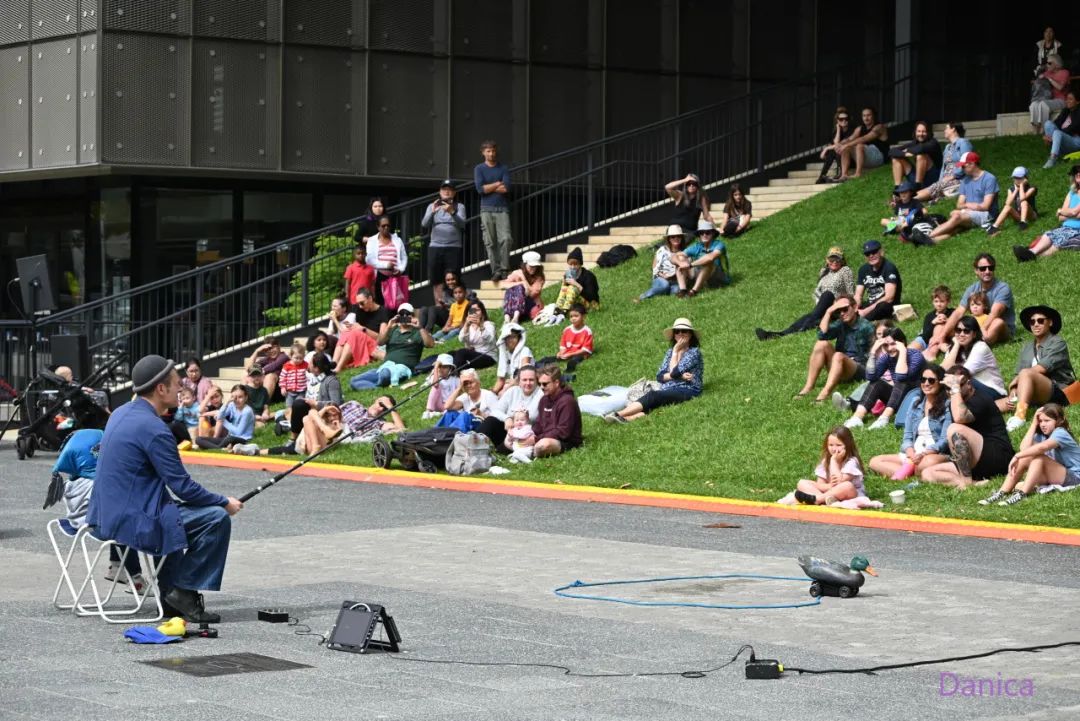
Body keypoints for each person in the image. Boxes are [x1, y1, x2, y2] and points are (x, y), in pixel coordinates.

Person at [87, 354, 243, 623]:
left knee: (172, 513)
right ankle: (180, 591)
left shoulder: (121, 413)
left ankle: (172, 594)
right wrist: (223, 502)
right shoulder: (155, 429)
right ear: (161, 389)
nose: (181, 388)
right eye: (176, 384)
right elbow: (183, 487)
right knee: (215, 519)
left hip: (103, 515)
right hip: (131, 521)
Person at [920, 365, 1014, 488]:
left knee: (954, 428)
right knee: (928, 473)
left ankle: (966, 480)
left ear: (968, 384)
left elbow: (960, 418)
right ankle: (971, 484)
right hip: (975, 460)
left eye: (957, 385)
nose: (950, 391)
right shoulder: (955, 401)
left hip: (998, 456)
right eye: (947, 388)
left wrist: (955, 388)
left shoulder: (980, 398)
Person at [604, 318, 704, 423]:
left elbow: (674, 372)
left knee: (654, 396)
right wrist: (680, 376)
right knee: (654, 400)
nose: (680, 334)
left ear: (690, 334)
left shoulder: (693, 353)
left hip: (688, 389)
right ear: (674, 335)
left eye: (684, 331)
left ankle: (618, 414)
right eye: (677, 331)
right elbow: (660, 377)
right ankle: (624, 419)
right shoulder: (669, 352)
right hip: (669, 387)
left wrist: (675, 352)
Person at [980, 404, 1080, 506]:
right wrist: (1033, 424)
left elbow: (1041, 448)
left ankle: (1022, 494)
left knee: (1039, 458)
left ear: (1059, 421)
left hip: (1075, 478)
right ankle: (1002, 493)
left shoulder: (1060, 432)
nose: (1042, 424)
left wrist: (1017, 456)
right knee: (1028, 457)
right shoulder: (1043, 435)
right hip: (1057, 474)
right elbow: (1024, 449)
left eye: (1047, 420)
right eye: (1040, 421)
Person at [868, 363, 953, 481]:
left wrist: (924, 453)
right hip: (913, 453)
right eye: (923, 380)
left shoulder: (947, 405)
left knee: (925, 463)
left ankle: (908, 470)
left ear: (940, 383)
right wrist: (911, 452)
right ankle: (912, 470)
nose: (926, 383)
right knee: (875, 461)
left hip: (933, 454)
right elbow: (907, 435)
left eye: (931, 380)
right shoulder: (915, 403)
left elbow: (944, 440)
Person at [756, 246, 854, 340]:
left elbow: (851, 294)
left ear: (842, 260)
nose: (835, 262)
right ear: (827, 260)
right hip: (823, 305)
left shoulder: (845, 271)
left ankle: (801, 329)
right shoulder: (824, 272)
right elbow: (818, 292)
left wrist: (842, 306)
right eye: (832, 259)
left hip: (837, 307)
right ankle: (780, 334)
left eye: (838, 259)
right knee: (807, 316)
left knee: (826, 295)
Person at [1003, 305, 1075, 433]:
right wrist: (1013, 390)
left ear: (1050, 322)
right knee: (1000, 402)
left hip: (1058, 391)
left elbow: (1041, 368)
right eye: (1032, 321)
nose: (1036, 324)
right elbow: (1018, 374)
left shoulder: (1058, 343)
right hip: (1032, 388)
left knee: (1026, 373)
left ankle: (1020, 416)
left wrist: (1017, 380)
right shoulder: (1026, 347)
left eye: (1040, 321)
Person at [839, 327, 924, 431]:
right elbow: (870, 377)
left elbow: (901, 376)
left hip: (916, 399)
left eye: (893, 344)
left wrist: (902, 351)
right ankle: (857, 417)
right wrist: (873, 352)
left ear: (902, 342)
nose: (889, 348)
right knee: (877, 382)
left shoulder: (916, 355)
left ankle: (884, 418)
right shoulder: (887, 358)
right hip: (898, 399)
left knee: (901, 381)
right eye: (886, 345)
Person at [795, 294, 874, 402]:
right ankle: (808, 387)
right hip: (839, 363)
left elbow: (875, 353)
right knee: (821, 344)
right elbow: (821, 335)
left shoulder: (867, 327)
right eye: (838, 311)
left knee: (838, 355)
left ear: (855, 308)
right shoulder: (840, 324)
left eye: (845, 309)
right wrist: (828, 311)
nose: (842, 313)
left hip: (858, 368)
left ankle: (824, 394)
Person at [349, 303, 435, 389]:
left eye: (407, 314)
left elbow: (431, 344)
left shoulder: (417, 331)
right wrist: (388, 327)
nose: (404, 316)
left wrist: (420, 327)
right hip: (386, 366)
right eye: (401, 314)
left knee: (385, 374)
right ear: (397, 316)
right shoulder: (393, 330)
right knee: (353, 381)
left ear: (412, 316)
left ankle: (380, 382)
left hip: (403, 368)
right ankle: (377, 386)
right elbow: (380, 342)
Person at [1014, 165, 1080, 262]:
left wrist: (1062, 211)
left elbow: (1071, 212)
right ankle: (1031, 252)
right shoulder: (1072, 192)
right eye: (1076, 173)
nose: (1078, 175)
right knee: (1048, 234)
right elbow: (1061, 218)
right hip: (1065, 227)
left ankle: (1032, 255)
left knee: (1060, 240)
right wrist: (1070, 214)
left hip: (1077, 230)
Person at [928, 152, 999, 242]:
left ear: (972, 164)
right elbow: (959, 204)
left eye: (963, 166)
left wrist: (967, 207)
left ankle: (929, 236)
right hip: (969, 212)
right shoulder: (965, 180)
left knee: (956, 216)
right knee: (956, 218)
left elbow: (985, 206)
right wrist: (970, 207)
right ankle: (933, 240)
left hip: (987, 215)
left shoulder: (989, 179)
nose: (961, 169)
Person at [792, 426, 866, 505]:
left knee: (847, 486)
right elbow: (820, 485)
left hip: (849, 494)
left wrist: (834, 461)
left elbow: (839, 482)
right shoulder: (825, 461)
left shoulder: (851, 461)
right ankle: (825, 500)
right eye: (831, 445)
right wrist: (830, 486)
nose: (834, 449)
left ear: (848, 445)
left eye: (838, 445)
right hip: (830, 493)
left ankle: (818, 499)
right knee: (802, 483)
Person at [284, 353, 343, 452]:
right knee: (286, 411)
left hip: (322, 412)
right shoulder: (313, 379)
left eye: (310, 363)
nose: (308, 364)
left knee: (299, 405)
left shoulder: (331, 381)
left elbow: (336, 403)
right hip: (311, 409)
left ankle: (293, 438)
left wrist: (316, 404)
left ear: (316, 368)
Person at [939, 315, 1007, 400]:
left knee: (962, 381)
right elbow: (942, 370)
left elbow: (962, 375)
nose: (961, 334)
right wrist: (956, 345)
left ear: (974, 334)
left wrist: (943, 379)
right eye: (958, 330)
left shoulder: (980, 347)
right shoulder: (954, 348)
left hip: (992, 391)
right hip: (968, 388)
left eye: (966, 331)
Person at [476, 365, 543, 448]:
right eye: (524, 380)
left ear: (537, 381)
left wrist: (514, 419)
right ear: (519, 381)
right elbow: (495, 411)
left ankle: (498, 448)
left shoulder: (541, 394)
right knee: (490, 420)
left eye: (531, 380)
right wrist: (507, 418)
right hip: (508, 431)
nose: (528, 383)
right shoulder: (513, 391)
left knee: (503, 448)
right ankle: (474, 443)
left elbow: (532, 415)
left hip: (526, 435)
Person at [421, 179, 466, 303]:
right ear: (440, 192)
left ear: (454, 193)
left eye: (449, 190)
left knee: (454, 278)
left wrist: (452, 212)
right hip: (435, 246)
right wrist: (432, 212)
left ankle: (454, 307)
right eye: (444, 189)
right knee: (436, 279)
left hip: (453, 247)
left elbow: (463, 224)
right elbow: (424, 224)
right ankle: (439, 306)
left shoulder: (459, 206)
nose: (446, 192)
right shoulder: (432, 206)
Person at [474, 140, 513, 281]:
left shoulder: (503, 168)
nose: (491, 154)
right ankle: (495, 270)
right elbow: (480, 189)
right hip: (486, 209)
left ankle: (504, 268)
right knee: (490, 241)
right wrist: (497, 183)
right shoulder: (479, 169)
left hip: (502, 209)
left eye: (493, 151)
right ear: (483, 153)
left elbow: (506, 188)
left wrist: (488, 187)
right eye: (488, 151)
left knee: (506, 239)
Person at [915, 122, 973, 205]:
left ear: (953, 129)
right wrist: (941, 180)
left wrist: (953, 176)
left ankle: (908, 200)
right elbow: (944, 167)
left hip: (958, 179)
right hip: (946, 180)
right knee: (934, 187)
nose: (944, 130)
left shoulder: (963, 143)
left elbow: (966, 162)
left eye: (946, 128)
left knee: (932, 189)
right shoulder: (948, 147)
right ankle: (906, 199)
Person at [531, 365, 582, 457]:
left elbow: (563, 432)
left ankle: (528, 452)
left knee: (544, 445)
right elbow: (538, 424)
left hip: (565, 442)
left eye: (545, 384)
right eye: (539, 384)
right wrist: (530, 434)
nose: (541, 387)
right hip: (544, 437)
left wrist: (536, 439)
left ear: (557, 383)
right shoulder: (544, 400)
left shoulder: (567, 401)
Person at [635, 225, 690, 301]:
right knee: (664, 285)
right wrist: (663, 276)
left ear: (681, 238)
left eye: (678, 236)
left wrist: (672, 276)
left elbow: (687, 271)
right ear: (669, 239)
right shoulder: (662, 250)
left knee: (676, 291)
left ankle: (662, 291)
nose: (676, 238)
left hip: (675, 280)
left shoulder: (685, 252)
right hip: (660, 277)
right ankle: (642, 297)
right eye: (673, 237)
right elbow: (654, 267)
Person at [365, 217, 409, 311]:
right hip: (381, 276)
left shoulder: (397, 239)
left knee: (397, 303)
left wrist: (400, 269)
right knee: (382, 303)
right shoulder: (372, 240)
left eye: (388, 225)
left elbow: (404, 257)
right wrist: (385, 265)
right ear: (378, 227)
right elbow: (369, 260)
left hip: (396, 276)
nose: (386, 228)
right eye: (383, 226)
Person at [195, 385, 256, 451]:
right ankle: (220, 449)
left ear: (246, 397)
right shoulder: (232, 405)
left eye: (240, 397)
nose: (237, 400)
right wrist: (226, 403)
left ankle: (217, 448)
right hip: (229, 438)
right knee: (198, 439)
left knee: (230, 438)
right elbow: (220, 415)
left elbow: (238, 432)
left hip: (243, 439)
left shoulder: (247, 411)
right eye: (234, 397)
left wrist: (222, 420)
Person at [837, 106, 889, 180]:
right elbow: (848, 139)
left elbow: (864, 138)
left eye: (868, 115)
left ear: (873, 116)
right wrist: (836, 146)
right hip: (865, 156)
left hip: (879, 157)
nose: (866, 118)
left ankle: (858, 174)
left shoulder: (879, 127)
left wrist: (845, 145)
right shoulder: (860, 128)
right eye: (864, 115)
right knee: (847, 148)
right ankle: (844, 175)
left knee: (859, 145)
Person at [854, 240, 901, 322]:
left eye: (874, 252)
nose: (871, 256)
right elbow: (858, 295)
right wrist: (855, 308)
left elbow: (889, 298)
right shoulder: (863, 269)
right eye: (867, 254)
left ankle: (860, 322)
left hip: (887, 305)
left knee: (882, 306)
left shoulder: (889, 268)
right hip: (871, 304)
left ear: (881, 252)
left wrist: (865, 311)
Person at [889, 120, 942, 189]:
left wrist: (907, 150)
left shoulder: (933, 143)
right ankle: (898, 189)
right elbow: (891, 151)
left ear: (928, 132)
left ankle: (918, 187)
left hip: (932, 178)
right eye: (919, 131)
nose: (921, 134)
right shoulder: (915, 143)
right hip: (918, 176)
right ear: (915, 132)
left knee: (921, 155)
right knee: (895, 158)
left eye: (924, 131)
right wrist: (905, 154)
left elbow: (921, 149)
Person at [684, 219, 731, 295]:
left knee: (709, 262)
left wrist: (690, 265)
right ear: (699, 235)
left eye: (707, 232)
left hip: (719, 278)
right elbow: (679, 255)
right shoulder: (697, 246)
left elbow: (710, 258)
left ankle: (693, 291)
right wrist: (681, 262)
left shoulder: (719, 244)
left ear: (712, 234)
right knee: (684, 259)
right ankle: (683, 290)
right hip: (701, 274)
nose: (704, 235)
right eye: (701, 233)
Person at [987, 167, 1037, 236]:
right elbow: (1007, 203)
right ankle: (994, 227)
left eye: (1019, 178)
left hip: (1031, 215)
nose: (1016, 180)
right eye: (1015, 178)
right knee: (1007, 207)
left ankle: (1023, 223)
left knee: (1024, 202)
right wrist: (1016, 190)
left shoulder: (1032, 188)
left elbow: (1022, 198)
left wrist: (1021, 186)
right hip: (1018, 215)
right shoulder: (1011, 190)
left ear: (1025, 178)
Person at [449, 301, 498, 371]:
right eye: (472, 310)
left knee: (462, 352)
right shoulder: (469, 326)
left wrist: (480, 325)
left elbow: (489, 339)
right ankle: (443, 369)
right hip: (473, 355)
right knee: (451, 354)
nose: (474, 313)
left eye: (477, 310)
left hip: (488, 356)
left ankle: (453, 372)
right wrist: (466, 325)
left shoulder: (489, 324)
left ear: (482, 312)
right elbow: (461, 339)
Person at [500, 251, 546, 324]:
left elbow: (532, 293)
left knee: (519, 287)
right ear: (525, 264)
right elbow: (503, 285)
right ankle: (507, 318)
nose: (534, 269)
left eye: (535, 266)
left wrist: (524, 281)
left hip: (532, 306)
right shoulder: (517, 273)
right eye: (531, 266)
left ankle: (515, 318)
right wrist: (521, 283)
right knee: (513, 289)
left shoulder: (539, 277)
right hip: (517, 307)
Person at [911, 285, 954, 360]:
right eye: (936, 301)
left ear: (948, 301)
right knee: (910, 350)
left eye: (942, 301)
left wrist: (948, 321)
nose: (939, 304)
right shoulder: (929, 316)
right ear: (932, 302)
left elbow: (958, 327)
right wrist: (933, 323)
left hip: (941, 340)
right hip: (926, 340)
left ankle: (931, 353)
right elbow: (925, 336)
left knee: (940, 326)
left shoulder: (952, 312)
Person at [1029, 54, 1070, 132]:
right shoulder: (1047, 73)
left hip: (1061, 100)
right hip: (1049, 100)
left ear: (1056, 64)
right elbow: (1039, 81)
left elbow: (1060, 87)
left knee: (1043, 104)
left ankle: (1044, 129)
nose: (1047, 65)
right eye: (1047, 63)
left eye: (1049, 63)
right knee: (1034, 104)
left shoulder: (1064, 72)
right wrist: (1039, 75)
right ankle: (1035, 128)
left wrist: (1049, 79)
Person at [816, 106, 857, 183]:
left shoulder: (853, 130)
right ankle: (822, 176)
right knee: (832, 152)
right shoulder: (837, 131)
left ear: (849, 119)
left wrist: (826, 148)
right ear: (837, 121)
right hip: (840, 158)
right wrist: (838, 129)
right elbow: (837, 143)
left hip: (851, 159)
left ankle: (841, 174)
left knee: (836, 150)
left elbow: (842, 144)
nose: (844, 121)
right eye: (841, 119)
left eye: (846, 119)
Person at [1041, 90, 1080, 169]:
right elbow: (1056, 123)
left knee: (1057, 133)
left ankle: (1053, 158)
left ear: (1078, 101)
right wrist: (1047, 136)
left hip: (1076, 140)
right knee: (1048, 123)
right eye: (1067, 99)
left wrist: (1056, 134)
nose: (1067, 101)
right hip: (1063, 136)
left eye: (1070, 99)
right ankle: (1055, 147)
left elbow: (1074, 127)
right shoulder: (1066, 110)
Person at [554, 247, 600, 312]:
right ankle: (557, 310)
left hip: (592, 305)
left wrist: (577, 285)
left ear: (580, 264)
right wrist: (564, 284)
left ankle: (565, 311)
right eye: (570, 264)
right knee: (565, 288)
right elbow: (563, 293)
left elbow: (591, 296)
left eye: (575, 264)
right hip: (576, 302)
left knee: (572, 289)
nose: (572, 267)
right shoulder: (568, 274)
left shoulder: (588, 276)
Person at [493, 322, 533, 396]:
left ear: (519, 338)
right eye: (508, 337)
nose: (510, 340)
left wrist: (505, 389)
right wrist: (492, 393)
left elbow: (523, 375)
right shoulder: (505, 354)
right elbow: (500, 380)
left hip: (524, 385)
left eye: (513, 337)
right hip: (511, 385)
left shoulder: (525, 350)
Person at [554, 305, 594, 374]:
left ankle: (568, 371)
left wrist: (571, 354)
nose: (573, 318)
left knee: (573, 361)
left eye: (576, 316)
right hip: (568, 353)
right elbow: (563, 346)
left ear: (583, 317)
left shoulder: (587, 331)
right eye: (571, 316)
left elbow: (585, 350)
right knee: (549, 359)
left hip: (580, 354)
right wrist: (561, 353)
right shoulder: (567, 330)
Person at [419, 270, 461, 334]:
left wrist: (447, 305)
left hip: (454, 319)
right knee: (424, 309)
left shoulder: (465, 291)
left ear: (457, 279)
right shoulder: (446, 292)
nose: (450, 282)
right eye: (448, 280)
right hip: (446, 315)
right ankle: (419, 331)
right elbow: (446, 307)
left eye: (453, 279)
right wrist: (443, 304)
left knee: (433, 308)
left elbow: (462, 306)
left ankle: (428, 332)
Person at [246, 337, 287, 403]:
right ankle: (245, 401)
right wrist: (256, 351)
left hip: (281, 391)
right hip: (267, 390)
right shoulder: (266, 360)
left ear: (279, 346)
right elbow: (248, 368)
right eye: (267, 349)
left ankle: (262, 404)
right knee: (246, 376)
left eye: (273, 347)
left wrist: (259, 373)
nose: (271, 351)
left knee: (270, 376)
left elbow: (274, 365)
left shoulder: (283, 357)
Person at [422, 354, 460, 419]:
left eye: (444, 367)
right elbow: (435, 384)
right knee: (435, 387)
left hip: (450, 405)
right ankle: (428, 411)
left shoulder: (456, 379)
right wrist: (436, 368)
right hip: (439, 404)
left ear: (450, 368)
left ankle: (440, 413)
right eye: (440, 367)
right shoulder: (435, 378)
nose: (441, 369)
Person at [279, 343, 309, 408]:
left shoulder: (305, 365)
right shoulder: (287, 366)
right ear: (290, 356)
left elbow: (310, 375)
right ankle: (289, 416)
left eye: (300, 358)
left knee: (298, 405)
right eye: (296, 358)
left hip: (301, 391)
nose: (298, 360)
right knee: (289, 406)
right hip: (290, 392)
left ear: (304, 357)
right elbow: (282, 378)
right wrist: (283, 387)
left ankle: (298, 416)